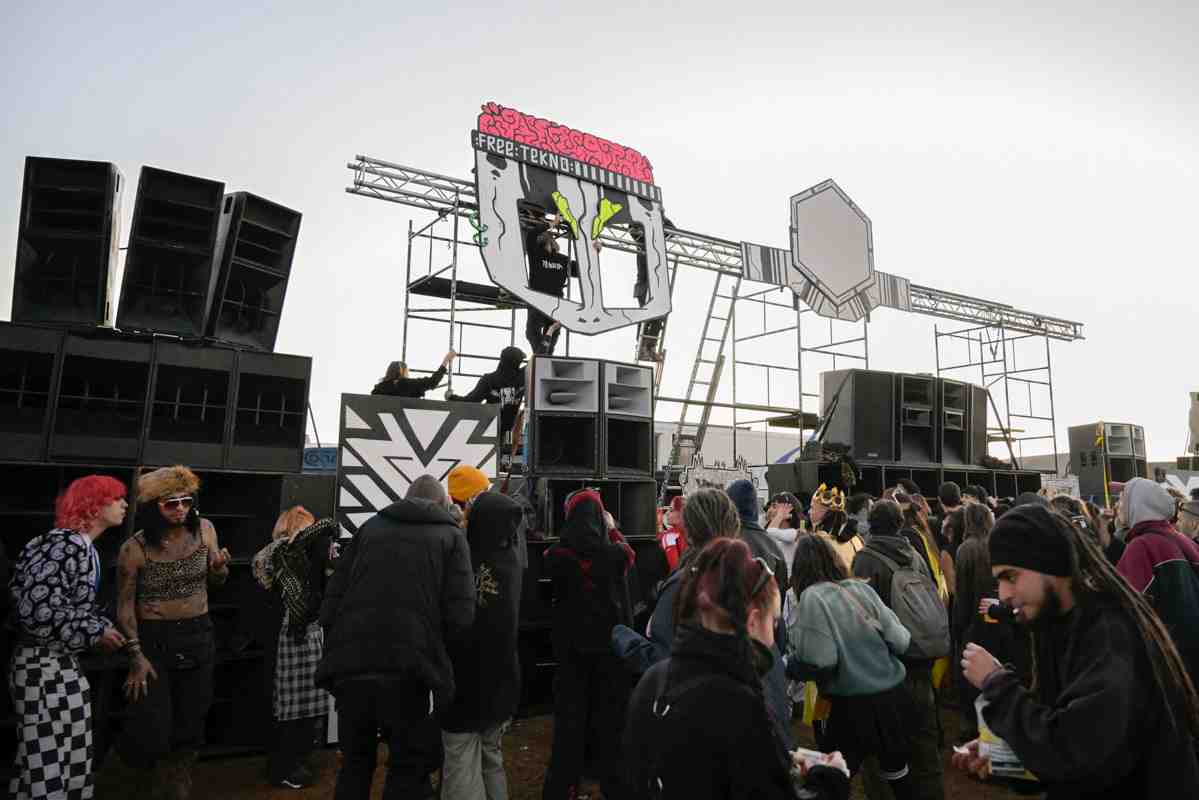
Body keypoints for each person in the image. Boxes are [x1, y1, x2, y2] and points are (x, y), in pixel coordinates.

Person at [954, 504, 1199, 797]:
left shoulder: (1109, 634)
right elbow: (1070, 747)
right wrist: (1005, 757)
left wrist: (996, 683)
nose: (1003, 594)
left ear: (1049, 564)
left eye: (1011, 576)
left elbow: (1074, 750)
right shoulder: (1059, 626)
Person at [623, 538, 851, 800]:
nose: (773, 637)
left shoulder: (654, 679)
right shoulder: (739, 704)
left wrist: (777, 760)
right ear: (753, 621)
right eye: (773, 622)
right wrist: (831, 781)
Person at [317, 475, 475, 800]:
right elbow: (460, 615)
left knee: (355, 764)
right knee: (406, 767)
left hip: (351, 668)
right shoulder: (450, 536)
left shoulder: (370, 528)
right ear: (443, 504)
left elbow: (331, 601)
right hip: (408, 673)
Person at [9, 476, 128, 800]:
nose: (124, 504)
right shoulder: (61, 544)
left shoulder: (80, 547)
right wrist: (95, 630)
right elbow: (36, 607)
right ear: (94, 504)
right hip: (41, 666)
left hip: (59, 665)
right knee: (46, 765)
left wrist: (98, 626)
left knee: (67, 760)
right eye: (116, 498)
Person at [115, 466, 230, 799]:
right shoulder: (134, 548)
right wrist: (136, 655)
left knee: (192, 720)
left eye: (186, 502)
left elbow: (216, 582)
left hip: (198, 634)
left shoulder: (206, 530)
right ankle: (127, 782)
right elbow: (124, 606)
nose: (181, 509)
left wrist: (219, 569)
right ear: (154, 507)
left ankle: (176, 784)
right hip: (154, 639)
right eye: (171, 504)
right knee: (152, 726)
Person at [787, 535, 915, 799]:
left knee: (832, 782)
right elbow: (901, 640)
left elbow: (821, 661)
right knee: (899, 778)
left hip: (848, 707)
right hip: (891, 698)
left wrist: (788, 666)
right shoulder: (861, 589)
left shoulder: (812, 597)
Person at [542, 489, 634, 800]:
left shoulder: (556, 557)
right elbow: (628, 552)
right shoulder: (616, 554)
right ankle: (613, 786)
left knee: (570, 725)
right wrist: (611, 528)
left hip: (570, 654)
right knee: (610, 724)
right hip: (608, 653)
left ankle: (563, 787)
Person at [853, 500, 947, 800]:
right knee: (925, 748)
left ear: (871, 524)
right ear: (898, 524)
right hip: (920, 661)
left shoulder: (865, 560)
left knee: (881, 754)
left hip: (884, 672)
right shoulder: (915, 555)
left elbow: (860, 617)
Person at [440, 489, 525, 800]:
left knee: (461, 759)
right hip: (501, 681)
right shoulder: (511, 562)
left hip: (465, 681)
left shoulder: (462, 559)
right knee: (492, 759)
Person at [252, 506, 340, 789]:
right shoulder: (298, 557)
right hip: (300, 637)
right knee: (301, 708)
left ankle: (283, 764)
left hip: (280, 637)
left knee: (286, 706)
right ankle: (289, 766)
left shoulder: (266, 556)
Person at [613, 488, 741, 673]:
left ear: (690, 527)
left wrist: (622, 637)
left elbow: (662, 660)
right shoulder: (755, 576)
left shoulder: (686, 583)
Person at [726, 478, 793, 748]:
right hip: (768, 644)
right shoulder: (774, 547)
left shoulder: (726, 543)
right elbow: (781, 598)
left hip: (732, 648)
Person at [1113, 477, 1199, 682]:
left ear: (1139, 504)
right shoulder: (1180, 539)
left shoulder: (1142, 546)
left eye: (1123, 498)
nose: (1118, 505)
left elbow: (1125, 606)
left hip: (1166, 663)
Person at [447, 346, 527, 448]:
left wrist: (451, 397)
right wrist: (550, 331)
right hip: (508, 432)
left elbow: (470, 401)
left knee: (486, 459)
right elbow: (541, 355)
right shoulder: (522, 376)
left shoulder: (489, 380)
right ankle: (505, 463)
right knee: (505, 458)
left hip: (488, 429)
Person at [523, 212, 579, 355]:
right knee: (532, 333)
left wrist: (595, 251)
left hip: (554, 303)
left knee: (543, 334)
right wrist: (551, 224)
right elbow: (531, 236)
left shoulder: (562, 259)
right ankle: (542, 356)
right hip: (539, 301)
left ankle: (544, 356)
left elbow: (582, 270)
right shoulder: (536, 253)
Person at [809, 484, 864, 575]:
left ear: (824, 511)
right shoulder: (857, 538)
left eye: (812, 508)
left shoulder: (820, 540)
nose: (809, 512)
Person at [372, 351, 457, 398]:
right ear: (402, 371)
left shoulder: (378, 388)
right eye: (407, 371)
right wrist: (446, 360)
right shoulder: (405, 384)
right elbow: (433, 382)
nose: (408, 374)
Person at [765, 491, 805, 569]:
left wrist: (780, 515)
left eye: (774, 506)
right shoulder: (769, 530)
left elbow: (770, 533)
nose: (769, 510)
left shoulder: (795, 533)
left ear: (788, 510)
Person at [658, 495, 688, 571]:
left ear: (681, 513)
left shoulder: (669, 537)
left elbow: (675, 569)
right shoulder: (695, 533)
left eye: (671, 510)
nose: (667, 513)